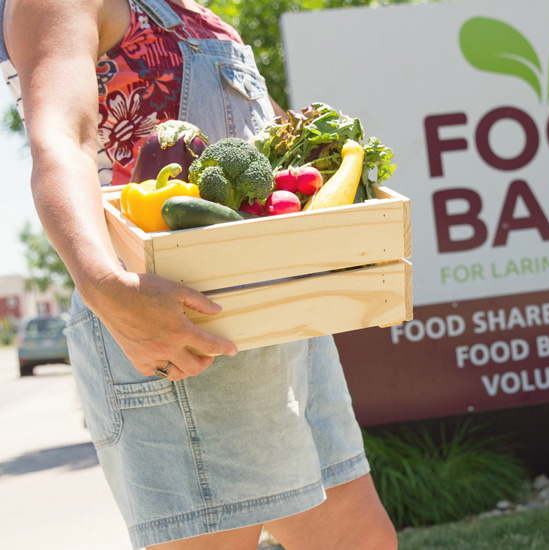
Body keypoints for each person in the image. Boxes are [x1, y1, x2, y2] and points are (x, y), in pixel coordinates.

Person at [1, 0, 398, 548]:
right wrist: (103, 286)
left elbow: (267, 150)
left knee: (362, 541)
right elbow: (61, 139)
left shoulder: (194, 11)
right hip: (172, 317)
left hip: (275, 321)